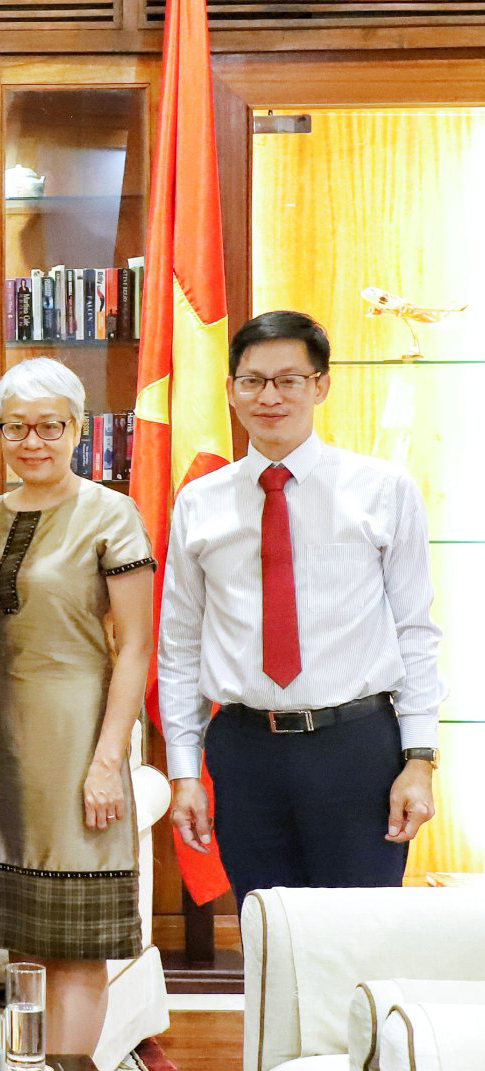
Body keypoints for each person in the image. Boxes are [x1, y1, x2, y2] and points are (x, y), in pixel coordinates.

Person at [161, 310, 442, 908]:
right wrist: (185, 770)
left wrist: (420, 758)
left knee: (358, 939)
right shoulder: (199, 503)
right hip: (244, 749)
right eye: (252, 380)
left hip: (357, 748)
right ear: (232, 389)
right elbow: (180, 645)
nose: (269, 397)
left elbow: (416, 629)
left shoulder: (382, 490)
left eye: (289, 380)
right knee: (268, 940)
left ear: (321, 385)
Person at [0, 358, 155, 1055]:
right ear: (0, 432)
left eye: (49, 426)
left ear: (77, 429)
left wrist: (109, 762)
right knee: (26, 939)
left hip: (78, 744)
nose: (32, 441)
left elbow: (134, 648)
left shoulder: (111, 513)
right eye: (17, 427)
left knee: (77, 944)